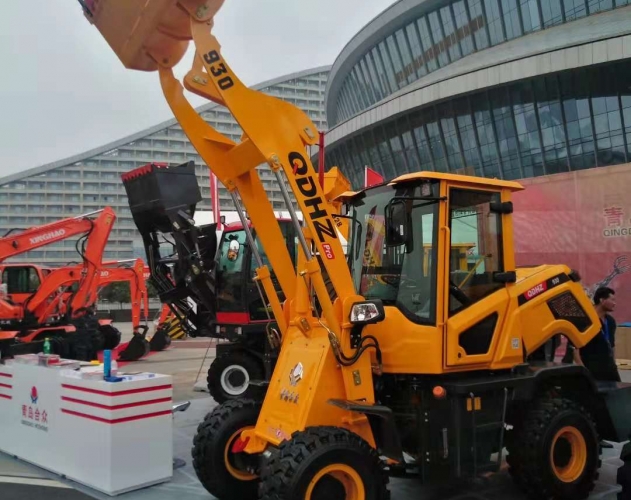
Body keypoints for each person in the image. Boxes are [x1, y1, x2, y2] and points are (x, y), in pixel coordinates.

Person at [574, 286, 621, 382]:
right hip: (590, 367)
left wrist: (614, 363)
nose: (614, 303)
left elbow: (612, 345)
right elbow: (574, 347)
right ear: (602, 300)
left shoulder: (610, 321)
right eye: (612, 300)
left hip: (609, 368)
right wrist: (582, 368)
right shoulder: (585, 319)